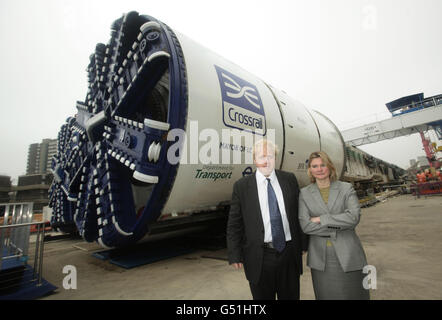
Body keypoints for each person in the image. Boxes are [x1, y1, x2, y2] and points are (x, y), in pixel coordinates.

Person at [227, 139, 308, 300]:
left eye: (270, 156)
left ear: (275, 158)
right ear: (255, 160)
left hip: (289, 254)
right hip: (259, 257)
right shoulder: (242, 186)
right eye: (262, 156)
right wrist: (234, 253)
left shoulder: (289, 179)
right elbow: (235, 224)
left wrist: (303, 243)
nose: (266, 161)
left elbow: (300, 213)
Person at [298, 151, 370, 300]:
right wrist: (339, 224)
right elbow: (305, 226)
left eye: (322, 165)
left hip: (349, 254)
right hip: (321, 258)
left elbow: (353, 218)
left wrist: (321, 219)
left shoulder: (346, 188)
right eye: (315, 166)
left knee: (354, 294)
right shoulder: (304, 194)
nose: (319, 169)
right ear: (310, 170)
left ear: (329, 166)